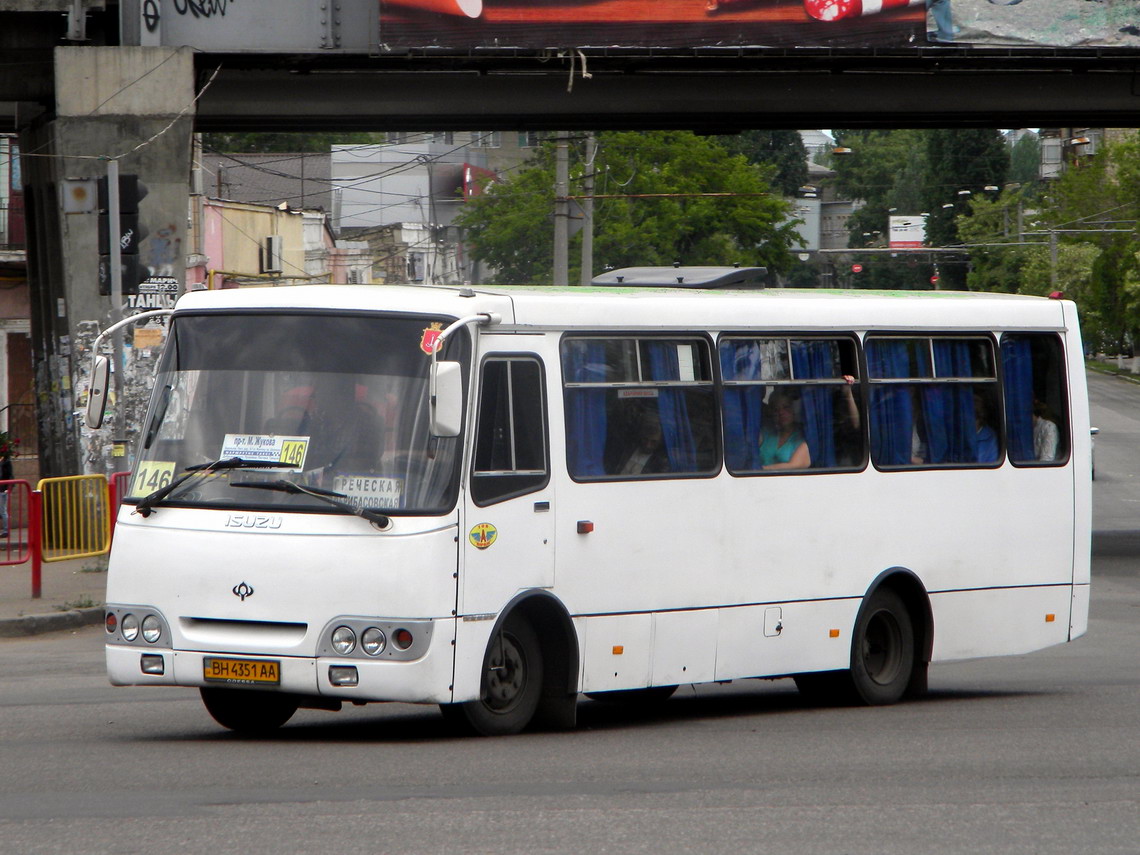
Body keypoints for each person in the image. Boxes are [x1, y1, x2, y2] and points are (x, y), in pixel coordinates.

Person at [758, 389, 811, 470]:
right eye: (776, 410)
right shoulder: (766, 432)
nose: (781, 413)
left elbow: (794, 466)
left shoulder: (804, 437)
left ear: (794, 409)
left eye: (786, 407)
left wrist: (759, 469)